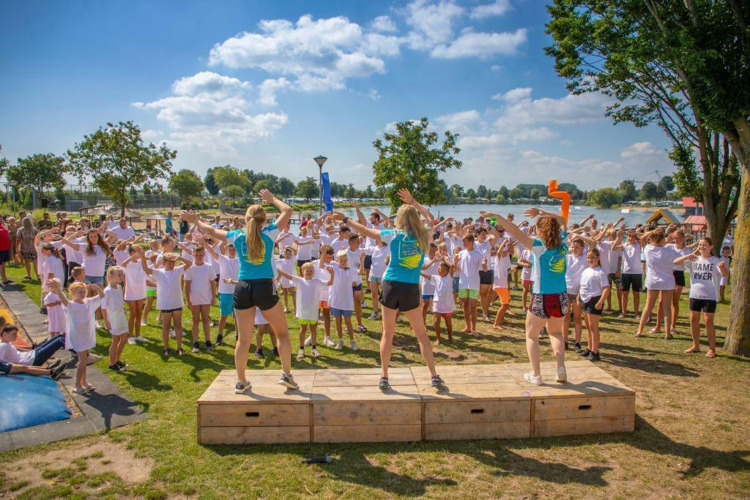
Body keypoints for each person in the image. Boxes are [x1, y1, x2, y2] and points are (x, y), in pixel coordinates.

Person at [180, 189, 299, 394]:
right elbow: (287, 210)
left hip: (242, 287)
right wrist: (272, 200)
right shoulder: (270, 232)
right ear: (263, 220)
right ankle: (287, 376)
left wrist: (196, 220)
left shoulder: (236, 236)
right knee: (282, 333)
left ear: (246, 219)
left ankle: (241, 381)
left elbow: (210, 230)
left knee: (243, 339)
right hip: (264, 286)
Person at [331, 188, 444, 390]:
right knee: (421, 334)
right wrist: (413, 202)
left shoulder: (393, 234)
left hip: (391, 285)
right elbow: (430, 218)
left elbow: (367, 231)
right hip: (410, 287)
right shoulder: (423, 235)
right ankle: (434, 375)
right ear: (415, 218)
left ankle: (384, 376)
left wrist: (346, 220)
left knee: (387, 333)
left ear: (399, 219)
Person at [482, 208, 569, 386]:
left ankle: (536, 374)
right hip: (561, 295)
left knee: (531, 335)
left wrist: (498, 217)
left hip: (542, 295)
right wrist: (542, 212)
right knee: (556, 333)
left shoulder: (538, 246)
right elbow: (562, 220)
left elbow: (515, 231)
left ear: (541, 230)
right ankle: (561, 368)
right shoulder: (563, 242)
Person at [676, 237, 729, 358]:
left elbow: (725, 274)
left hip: (710, 295)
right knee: (694, 319)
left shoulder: (715, 260)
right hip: (695, 294)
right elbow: (676, 262)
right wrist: (687, 256)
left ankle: (712, 349)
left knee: (708, 321)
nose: (701, 247)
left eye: (704, 245)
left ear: (711, 246)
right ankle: (696, 345)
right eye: (700, 245)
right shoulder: (694, 259)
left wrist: (722, 267)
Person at [138, 247, 192, 356]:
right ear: (163, 263)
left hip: (177, 303)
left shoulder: (178, 270)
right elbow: (145, 269)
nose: (171, 265)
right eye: (168, 263)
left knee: (178, 325)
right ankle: (166, 348)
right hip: (165, 304)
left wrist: (179, 257)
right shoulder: (159, 272)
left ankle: (179, 347)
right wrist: (143, 256)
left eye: (172, 263)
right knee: (166, 326)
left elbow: (190, 264)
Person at [50, 280, 102, 394]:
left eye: (84, 291)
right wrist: (57, 288)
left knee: (85, 360)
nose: (83, 294)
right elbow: (63, 299)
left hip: (86, 335)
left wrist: (98, 288)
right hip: (77, 337)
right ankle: (77, 385)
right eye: (80, 292)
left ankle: (84, 382)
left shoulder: (88, 302)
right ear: (72, 293)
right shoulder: (71, 305)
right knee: (83, 360)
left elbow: (102, 297)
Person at [276, 262, 333, 360]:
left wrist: (332, 274)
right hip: (303, 311)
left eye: (311, 271)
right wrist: (280, 272)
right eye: (307, 270)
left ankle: (314, 348)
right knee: (303, 329)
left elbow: (329, 283)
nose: (309, 272)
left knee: (313, 330)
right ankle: (301, 349)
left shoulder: (317, 281)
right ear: (302, 271)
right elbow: (289, 276)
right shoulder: (299, 281)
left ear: (314, 272)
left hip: (313, 311)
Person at [635, 229, 680, 339]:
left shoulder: (648, 249)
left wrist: (653, 231)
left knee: (648, 306)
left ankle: (639, 331)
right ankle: (667, 333)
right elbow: (679, 258)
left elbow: (642, 238)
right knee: (666, 307)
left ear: (653, 239)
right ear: (662, 239)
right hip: (667, 281)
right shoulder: (670, 252)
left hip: (653, 281)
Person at [201, 238, 239, 346]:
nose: (232, 251)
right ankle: (220, 334)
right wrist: (203, 242)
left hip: (237, 292)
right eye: (230, 249)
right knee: (223, 315)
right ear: (226, 250)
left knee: (237, 315)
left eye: (233, 249)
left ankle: (238, 333)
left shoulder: (239, 260)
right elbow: (211, 252)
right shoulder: (223, 259)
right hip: (225, 292)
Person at [577, 248, 610, 361]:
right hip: (584, 299)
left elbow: (606, 288)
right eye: (588, 257)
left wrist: (600, 302)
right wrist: (578, 297)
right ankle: (589, 348)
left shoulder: (600, 272)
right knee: (588, 325)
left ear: (598, 258)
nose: (590, 259)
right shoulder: (586, 271)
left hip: (594, 300)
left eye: (593, 257)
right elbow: (582, 285)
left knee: (593, 326)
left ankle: (595, 352)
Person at [184, 244, 217, 353]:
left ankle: (208, 341)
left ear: (204, 255)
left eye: (201, 255)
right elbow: (186, 286)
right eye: (196, 255)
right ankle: (195, 341)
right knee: (195, 320)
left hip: (205, 298)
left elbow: (212, 283)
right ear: (193, 255)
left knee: (206, 319)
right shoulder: (190, 268)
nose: (198, 256)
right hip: (194, 299)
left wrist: (213, 297)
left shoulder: (209, 267)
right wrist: (188, 300)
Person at [327, 250, 359, 351]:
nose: (343, 262)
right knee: (338, 321)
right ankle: (340, 340)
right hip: (336, 300)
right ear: (338, 261)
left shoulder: (350, 270)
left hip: (347, 301)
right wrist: (324, 253)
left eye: (345, 260)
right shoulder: (333, 268)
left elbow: (360, 272)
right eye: (341, 261)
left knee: (348, 321)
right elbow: (323, 264)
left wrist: (362, 260)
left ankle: (352, 341)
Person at [457, 233, 486, 336]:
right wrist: (455, 262)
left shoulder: (478, 254)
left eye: (465, 242)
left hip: (473, 283)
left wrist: (485, 265)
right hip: (463, 282)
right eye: (463, 242)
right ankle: (467, 327)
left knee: (473, 306)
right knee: (465, 305)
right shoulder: (461, 253)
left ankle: (473, 328)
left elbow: (484, 269)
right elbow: (457, 268)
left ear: (471, 242)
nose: (463, 244)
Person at [0, 323, 66, 368]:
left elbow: (17, 349)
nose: (16, 336)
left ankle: (70, 342)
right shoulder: (3, 346)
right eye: (14, 334)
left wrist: (31, 349)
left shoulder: (5, 343)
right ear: (5, 334)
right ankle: (73, 348)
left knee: (58, 336)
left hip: (32, 355)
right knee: (59, 340)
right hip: (33, 360)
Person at [421, 257, 455, 344]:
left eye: (441, 269)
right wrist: (418, 271)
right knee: (436, 321)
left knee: (448, 322)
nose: (439, 270)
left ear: (447, 271)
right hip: (437, 303)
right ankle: (438, 339)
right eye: (439, 269)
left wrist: (443, 259)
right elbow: (426, 276)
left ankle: (450, 337)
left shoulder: (449, 277)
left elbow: (452, 266)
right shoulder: (436, 278)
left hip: (447, 304)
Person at [101, 266, 129, 371]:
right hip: (113, 318)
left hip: (121, 316)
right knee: (115, 340)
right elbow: (103, 307)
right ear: (111, 276)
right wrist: (106, 321)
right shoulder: (107, 291)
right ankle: (112, 363)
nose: (121, 277)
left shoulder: (119, 287)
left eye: (122, 274)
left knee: (124, 339)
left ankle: (117, 359)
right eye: (119, 275)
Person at [120, 245, 148, 344]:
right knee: (133, 313)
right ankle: (130, 336)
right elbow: (123, 264)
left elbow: (146, 267)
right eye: (136, 251)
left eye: (139, 251)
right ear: (131, 253)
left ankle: (138, 335)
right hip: (131, 291)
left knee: (139, 313)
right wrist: (132, 257)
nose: (138, 253)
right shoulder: (128, 263)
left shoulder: (141, 262)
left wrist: (142, 255)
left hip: (140, 291)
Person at [614, 228, 642, 318]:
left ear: (635, 237)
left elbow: (645, 236)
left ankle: (636, 314)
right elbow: (613, 248)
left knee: (636, 293)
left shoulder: (638, 244)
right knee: (624, 293)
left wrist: (636, 233)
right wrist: (619, 237)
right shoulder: (624, 245)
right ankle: (623, 313)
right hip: (626, 272)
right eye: (629, 236)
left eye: (633, 237)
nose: (631, 238)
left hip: (637, 273)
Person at [367, 240, 390, 320]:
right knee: (374, 294)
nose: (375, 240)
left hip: (384, 275)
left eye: (377, 238)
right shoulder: (374, 248)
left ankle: (392, 313)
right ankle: (375, 312)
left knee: (386, 295)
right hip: (373, 274)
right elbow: (363, 250)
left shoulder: (388, 248)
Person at [0, 216, 12, 284]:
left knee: (3, 264)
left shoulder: (3, 226)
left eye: (2, 218)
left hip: (5, 248)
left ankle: (4, 279)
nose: (2, 220)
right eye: (1, 219)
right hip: (0, 249)